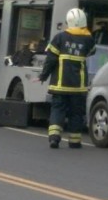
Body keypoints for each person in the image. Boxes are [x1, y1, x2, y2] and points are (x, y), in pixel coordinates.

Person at [38, 8, 96, 149]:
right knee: (76, 112)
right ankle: (75, 141)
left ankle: (54, 138)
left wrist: (43, 76)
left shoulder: (59, 38)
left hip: (60, 84)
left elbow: (50, 60)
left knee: (58, 109)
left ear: (68, 22)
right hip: (78, 86)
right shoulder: (88, 39)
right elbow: (92, 51)